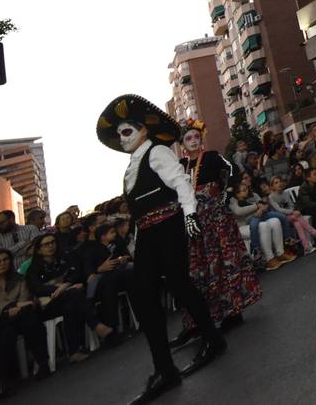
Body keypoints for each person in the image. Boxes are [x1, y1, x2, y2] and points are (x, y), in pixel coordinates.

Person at [95, 94, 225, 404]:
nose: (122, 138)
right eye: (119, 134)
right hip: (148, 234)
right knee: (143, 295)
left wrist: (191, 215)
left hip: (169, 225)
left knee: (179, 283)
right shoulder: (131, 167)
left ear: (143, 131)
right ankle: (164, 369)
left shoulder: (157, 152)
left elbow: (181, 184)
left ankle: (212, 339)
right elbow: (139, 212)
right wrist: (138, 241)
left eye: (127, 131)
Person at [175, 119, 260, 345]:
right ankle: (206, 318)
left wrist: (224, 195)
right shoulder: (180, 165)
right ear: (182, 143)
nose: (193, 141)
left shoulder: (212, 156)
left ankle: (233, 312)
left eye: (196, 137)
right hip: (195, 223)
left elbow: (230, 172)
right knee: (202, 269)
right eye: (188, 138)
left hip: (216, 219)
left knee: (225, 263)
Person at [0, 249, 49, 393]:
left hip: (19, 317)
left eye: (5, 260)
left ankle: (43, 363)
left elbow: (25, 300)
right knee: (8, 329)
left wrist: (16, 308)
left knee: (29, 319)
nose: (3, 263)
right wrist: (10, 307)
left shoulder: (18, 281)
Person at [26, 232, 110, 362]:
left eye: (53, 242)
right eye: (46, 244)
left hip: (68, 299)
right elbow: (37, 288)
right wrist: (61, 288)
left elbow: (76, 273)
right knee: (74, 294)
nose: (51, 246)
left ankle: (74, 351)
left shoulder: (65, 257)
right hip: (48, 304)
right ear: (39, 250)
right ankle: (95, 324)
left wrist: (66, 285)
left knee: (70, 306)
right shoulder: (33, 269)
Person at [228, 175, 295, 270]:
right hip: (243, 225)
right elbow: (239, 211)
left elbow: (263, 204)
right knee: (263, 225)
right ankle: (268, 258)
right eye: (243, 189)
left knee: (275, 221)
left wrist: (261, 208)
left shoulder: (251, 194)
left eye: (246, 188)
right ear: (236, 192)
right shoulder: (232, 200)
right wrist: (257, 207)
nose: (246, 189)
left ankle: (280, 253)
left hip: (259, 216)